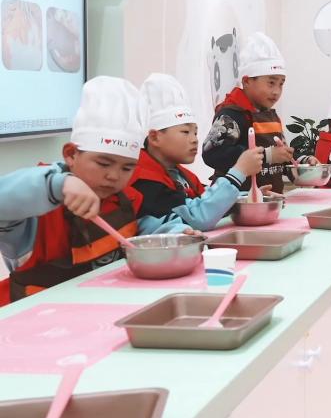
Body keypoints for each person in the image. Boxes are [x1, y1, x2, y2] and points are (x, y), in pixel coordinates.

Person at [0, 77, 192, 305]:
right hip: (36, 319)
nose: (114, 176)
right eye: (103, 163)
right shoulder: (36, 211)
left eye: (127, 168)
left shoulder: (124, 199)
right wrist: (58, 185)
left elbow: (141, 231)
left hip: (100, 312)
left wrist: (175, 233)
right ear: (71, 154)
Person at [131, 73, 265, 231]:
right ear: (155, 137)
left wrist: (250, 196)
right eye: (185, 132)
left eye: (195, 132)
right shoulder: (144, 180)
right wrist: (239, 171)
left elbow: (203, 201)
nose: (194, 139)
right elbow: (198, 217)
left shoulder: (182, 176)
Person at [202, 32, 319, 194]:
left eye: (281, 84)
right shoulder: (231, 114)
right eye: (271, 83)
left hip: (270, 200)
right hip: (236, 202)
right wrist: (267, 155)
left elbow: (280, 156)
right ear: (247, 81)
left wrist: (302, 161)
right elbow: (212, 154)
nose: (276, 91)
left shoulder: (272, 116)